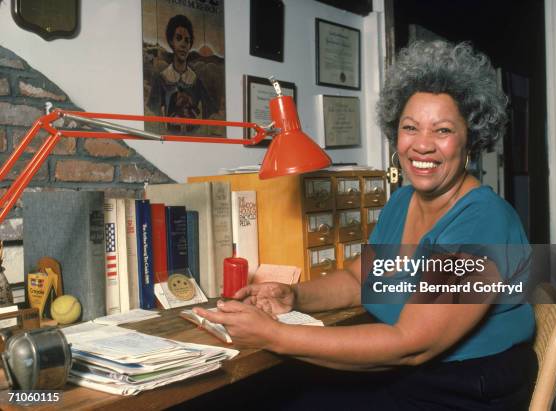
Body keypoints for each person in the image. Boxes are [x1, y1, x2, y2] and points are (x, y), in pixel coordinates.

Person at [194, 40, 537, 410]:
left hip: (465, 386)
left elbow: (412, 344)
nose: (422, 145)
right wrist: (296, 296)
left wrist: (275, 335)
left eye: (442, 131)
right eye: (410, 127)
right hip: (409, 371)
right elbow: (361, 281)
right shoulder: (402, 202)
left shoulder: (482, 221)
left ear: (470, 139)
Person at [146, 14, 216, 133]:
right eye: (178, 38)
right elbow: (152, 116)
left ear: (190, 45)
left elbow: (211, 114)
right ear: (171, 41)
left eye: (187, 40)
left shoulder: (196, 81)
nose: (183, 44)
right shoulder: (161, 80)